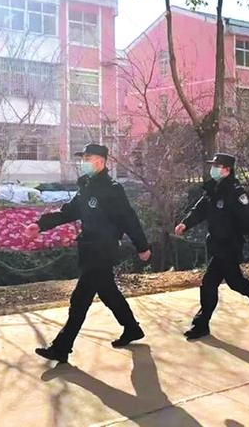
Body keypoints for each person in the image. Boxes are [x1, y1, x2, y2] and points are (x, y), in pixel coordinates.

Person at [27, 144, 152, 364]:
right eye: (83, 158)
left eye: (87, 158)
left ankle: (61, 347)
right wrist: (40, 224)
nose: (83, 162)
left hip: (103, 250)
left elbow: (128, 219)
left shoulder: (112, 189)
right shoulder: (86, 186)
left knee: (80, 299)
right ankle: (132, 328)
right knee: (108, 293)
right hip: (89, 248)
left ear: (100, 161)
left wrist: (142, 246)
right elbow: (68, 212)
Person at [174, 153, 249, 340]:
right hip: (217, 244)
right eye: (213, 165)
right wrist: (185, 223)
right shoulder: (214, 189)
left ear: (227, 170)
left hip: (230, 245)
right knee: (235, 282)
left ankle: (201, 325)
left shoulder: (236, 193)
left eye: (217, 166)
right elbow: (200, 209)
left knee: (209, 283)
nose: (213, 169)